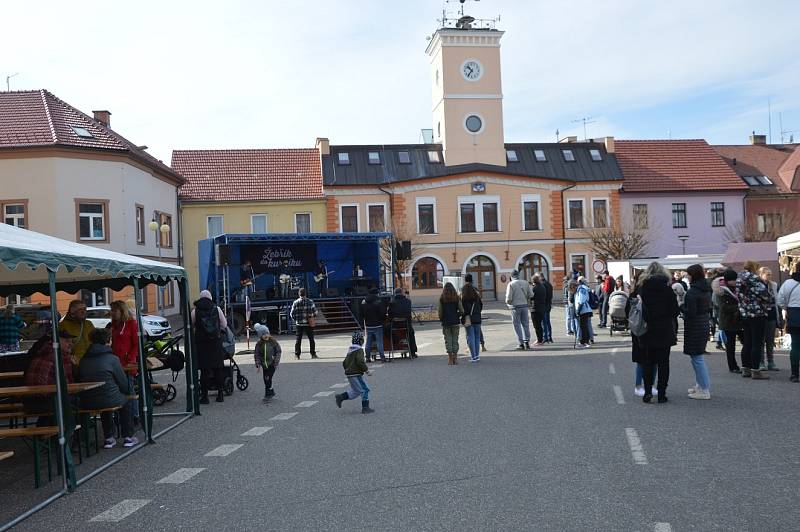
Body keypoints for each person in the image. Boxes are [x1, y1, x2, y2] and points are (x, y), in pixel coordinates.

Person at [79, 328, 137, 448]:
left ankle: (109, 438)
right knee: (126, 400)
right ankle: (128, 436)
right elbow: (124, 385)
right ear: (108, 341)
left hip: (87, 401)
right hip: (108, 399)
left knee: (105, 401)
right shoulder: (113, 359)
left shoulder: (83, 360)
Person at [638, 261, 680, 403]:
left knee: (647, 362)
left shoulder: (642, 288)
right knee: (664, 363)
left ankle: (648, 391)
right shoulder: (667, 289)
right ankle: (662, 393)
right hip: (664, 329)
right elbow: (675, 311)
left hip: (646, 329)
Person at [23, 330, 76, 424]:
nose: (70, 344)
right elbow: (69, 386)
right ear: (58, 342)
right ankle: (71, 434)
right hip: (46, 402)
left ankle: (44, 433)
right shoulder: (59, 357)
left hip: (29, 402)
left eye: (71, 341)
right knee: (76, 403)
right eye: (67, 341)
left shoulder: (43, 351)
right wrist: (75, 366)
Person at [682, 264, 713, 400]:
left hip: (695, 326)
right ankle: (700, 385)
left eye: (688, 274)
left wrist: (681, 306)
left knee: (697, 358)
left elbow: (691, 312)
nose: (687, 277)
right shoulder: (705, 288)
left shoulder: (692, 292)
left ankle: (704, 389)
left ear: (693, 275)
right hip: (703, 323)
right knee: (697, 357)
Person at [737, 261, 771, 380]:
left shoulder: (739, 279)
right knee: (757, 343)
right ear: (754, 268)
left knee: (747, 342)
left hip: (744, 313)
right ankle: (755, 370)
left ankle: (745, 369)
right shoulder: (755, 280)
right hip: (757, 314)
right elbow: (765, 295)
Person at [192, 290, 228, 403]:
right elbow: (224, 324)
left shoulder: (195, 310)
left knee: (204, 371)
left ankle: (205, 397)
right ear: (210, 297)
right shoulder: (216, 309)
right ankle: (220, 395)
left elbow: (191, 324)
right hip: (215, 342)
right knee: (218, 369)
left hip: (202, 344)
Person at [110, 300, 140, 424]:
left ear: (121, 311)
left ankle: (134, 415)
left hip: (127, 363)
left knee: (129, 389)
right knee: (118, 390)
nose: (111, 313)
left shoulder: (132, 323)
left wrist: (131, 358)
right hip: (116, 363)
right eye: (111, 310)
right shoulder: (114, 325)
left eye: (114, 310)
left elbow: (136, 344)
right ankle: (121, 416)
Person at [334, 330, 374, 413]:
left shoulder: (350, 350)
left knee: (356, 391)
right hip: (356, 374)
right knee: (364, 389)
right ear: (361, 341)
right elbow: (360, 361)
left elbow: (344, 362)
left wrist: (348, 369)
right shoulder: (359, 350)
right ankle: (365, 407)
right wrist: (366, 370)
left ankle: (341, 397)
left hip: (350, 374)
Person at [777, 261, 800, 382]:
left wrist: (786, 308)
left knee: (795, 345)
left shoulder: (788, 283)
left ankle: (795, 374)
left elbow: (780, 300)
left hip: (794, 315)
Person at [715, 269, 743, 373]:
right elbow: (723, 307)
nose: (736, 281)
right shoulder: (721, 290)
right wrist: (739, 307)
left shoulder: (737, 288)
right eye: (734, 280)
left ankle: (746, 364)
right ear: (729, 280)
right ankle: (733, 366)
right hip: (728, 321)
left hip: (739, 320)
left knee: (745, 342)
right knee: (730, 345)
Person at [758, 267, 780, 372]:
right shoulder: (757, 285)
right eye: (767, 274)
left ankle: (771, 361)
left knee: (770, 341)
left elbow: (777, 301)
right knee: (761, 340)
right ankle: (761, 362)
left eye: (770, 274)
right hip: (761, 316)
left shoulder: (774, 285)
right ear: (761, 274)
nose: (769, 276)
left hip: (771, 315)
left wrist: (778, 318)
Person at [253, 323, 281, 402]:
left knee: (268, 378)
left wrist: (276, 361)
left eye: (267, 333)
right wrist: (258, 364)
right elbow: (257, 354)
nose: (266, 335)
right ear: (260, 336)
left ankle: (267, 395)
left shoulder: (273, 342)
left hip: (272, 364)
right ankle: (271, 391)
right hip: (264, 365)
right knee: (266, 379)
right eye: (263, 334)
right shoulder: (259, 344)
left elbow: (278, 351)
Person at [505, 270, 533, 350]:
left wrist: (508, 303)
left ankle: (520, 343)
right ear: (518, 275)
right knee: (525, 324)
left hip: (515, 307)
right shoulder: (525, 282)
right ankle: (527, 341)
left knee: (517, 325)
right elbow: (531, 295)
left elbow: (508, 299)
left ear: (511, 276)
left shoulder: (511, 284)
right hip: (524, 306)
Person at [388, 287, 417, 358]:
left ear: (395, 294)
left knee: (385, 329)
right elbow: (408, 314)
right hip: (406, 324)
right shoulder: (408, 301)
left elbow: (390, 315)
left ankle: (396, 341)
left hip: (394, 325)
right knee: (411, 333)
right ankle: (412, 352)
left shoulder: (391, 302)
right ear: (402, 293)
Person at [290, 287, 318, 360]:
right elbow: (315, 312)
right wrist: (312, 317)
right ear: (306, 294)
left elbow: (292, 314)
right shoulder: (310, 302)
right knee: (311, 339)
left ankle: (297, 355)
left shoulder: (295, 302)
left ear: (299, 294)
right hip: (309, 324)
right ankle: (313, 354)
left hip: (299, 324)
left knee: (298, 340)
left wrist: (296, 319)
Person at [439, 282, 463, 365]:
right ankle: (455, 358)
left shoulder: (442, 298)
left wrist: (442, 319)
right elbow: (462, 310)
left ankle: (450, 359)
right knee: (455, 340)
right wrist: (457, 315)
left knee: (448, 340)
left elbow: (440, 312)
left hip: (446, 322)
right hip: (455, 321)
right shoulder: (456, 297)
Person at [460, 274, 483, 362]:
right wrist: (477, 313)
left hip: (468, 318)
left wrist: (464, 314)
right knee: (477, 337)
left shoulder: (464, 292)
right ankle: (477, 356)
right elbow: (481, 305)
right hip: (477, 317)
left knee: (470, 337)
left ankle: (473, 356)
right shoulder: (476, 291)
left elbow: (463, 308)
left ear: (465, 280)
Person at [361, 288, 387, 362]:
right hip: (378, 325)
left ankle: (368, 358)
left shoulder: (364, 302)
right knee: (379, 342)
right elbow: (382, 313)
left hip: (368, 325)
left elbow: (361, 313)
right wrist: (382, 320)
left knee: (368, 341)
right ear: (376, 293)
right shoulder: (378, 301)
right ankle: (382, 357)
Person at [574, 277, 594, 349]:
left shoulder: (581, 289)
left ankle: (584, 342)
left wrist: (578, 310)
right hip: (586, 309)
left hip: (583, 310)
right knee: (584, 326)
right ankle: (585, 341)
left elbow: (581, 300)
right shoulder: (584, 288)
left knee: (583, 327)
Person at [529, 275, 547, 346]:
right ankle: (540, 339)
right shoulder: (542, 287)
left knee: (537, 325)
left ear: (533, 281)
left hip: (535, 308)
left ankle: (539, 340)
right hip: (542, 307)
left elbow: (530, 297)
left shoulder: (534, 288)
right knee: (540, 324)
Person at [540, 274, 554, 343]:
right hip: (549, 304)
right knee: (548, 321)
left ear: (540, 277)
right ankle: (549, 337)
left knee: (544, 322)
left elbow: (543, 296)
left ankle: (545, 337)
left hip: (544, 305)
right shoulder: (549, 284)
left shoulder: (542, 285)